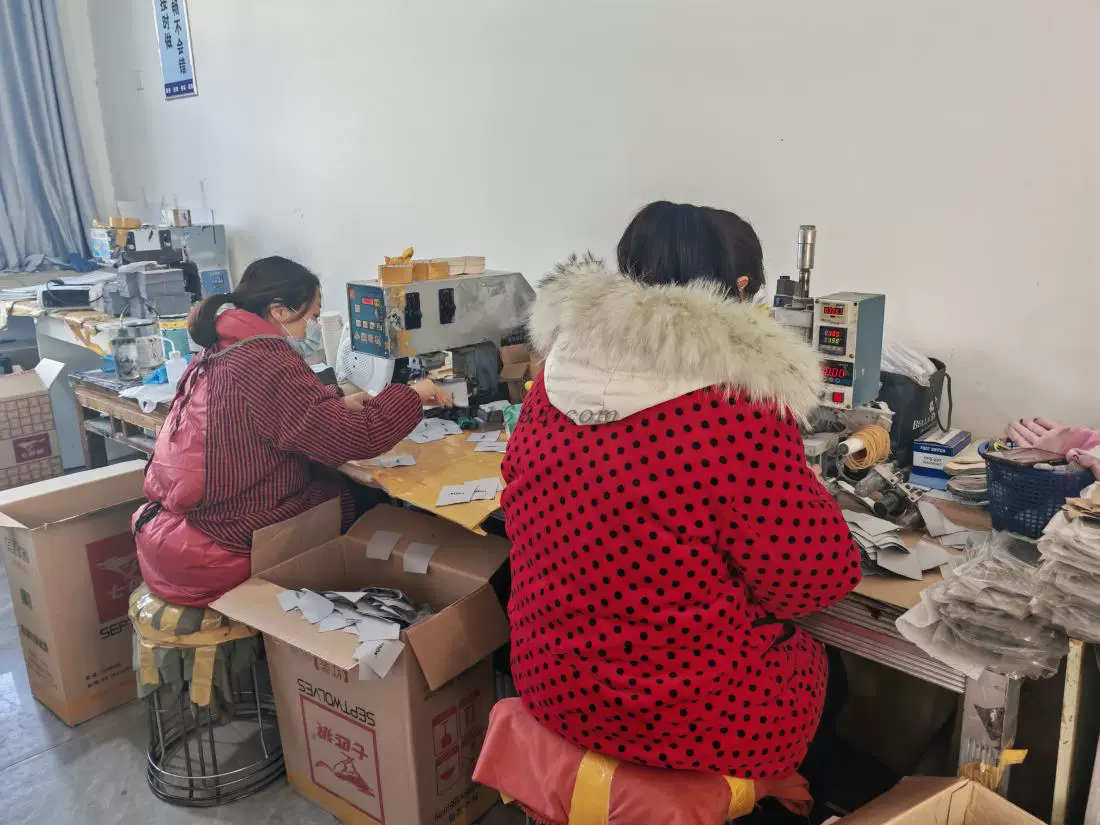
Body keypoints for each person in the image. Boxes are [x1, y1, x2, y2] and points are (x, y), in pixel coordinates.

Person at [501, 202, 861, 793]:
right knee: (827, 672)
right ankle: (773, 795)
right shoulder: (735, 410)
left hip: (550, 683)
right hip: (678, 720)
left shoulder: (550, 386)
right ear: (737, 291)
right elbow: (812, 583)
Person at [133, 255, 450, 607]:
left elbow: (264, 415)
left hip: (178, 535)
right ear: (280, 310)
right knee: (359, 499)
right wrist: (412, 394)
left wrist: (335, 402)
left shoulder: (221, 346)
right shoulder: (265, 359)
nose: (312, 326)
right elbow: (359, 437)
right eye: (311, 316)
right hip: (225, 543)